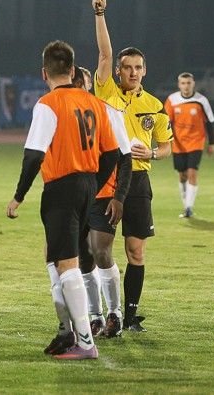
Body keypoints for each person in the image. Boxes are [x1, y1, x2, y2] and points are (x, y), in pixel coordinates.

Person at [6, 40, 119, 360]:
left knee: (67, 264)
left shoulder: (48, 104)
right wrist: (94, 185)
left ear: (44, 73)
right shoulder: (94, 103)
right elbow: (112, 154)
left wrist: (18, 196)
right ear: (72, 70)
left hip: (61, 188)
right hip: (87, 185)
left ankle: (85, 342)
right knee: (54, 256)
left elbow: (33, 155)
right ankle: (66, 329)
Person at [92, 0, 174, 332]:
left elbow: (166, 147)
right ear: (118, 70)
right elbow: (104, 53)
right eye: (127, 67)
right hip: (108, 179)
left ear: (145, 70)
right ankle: (102, 313)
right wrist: (100, 15)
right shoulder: (106, 92)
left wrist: (151, 153)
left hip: (138, 181)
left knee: (136, 252)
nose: (133, 72)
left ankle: (129, 315)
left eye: (138, 67)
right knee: (100, 249)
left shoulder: (155, 105)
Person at [72, 65, 133, 339]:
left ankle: (115, 313)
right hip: (74, 196)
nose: (76, 86)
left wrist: (119, 197)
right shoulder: (61, 113)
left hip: (103, 195)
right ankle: (95, 316)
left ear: (88, 84)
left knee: (100, 251)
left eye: (80, 81)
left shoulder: (107, 112)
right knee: (83, 257)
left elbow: (125, 158)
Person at [164, 72, 214, 218]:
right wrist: (165, 140)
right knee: (182, 176)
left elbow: (209, 122)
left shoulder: (201, 100)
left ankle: (188, 207)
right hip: (178, 144)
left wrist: (212, 143)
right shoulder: (172, 100)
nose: (186, 86)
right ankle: (185, 205)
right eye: (183, 83)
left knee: (192, 173)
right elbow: (166, 122)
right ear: (179, 85)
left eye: (188, 83)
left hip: (196, 142)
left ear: (193, 84)